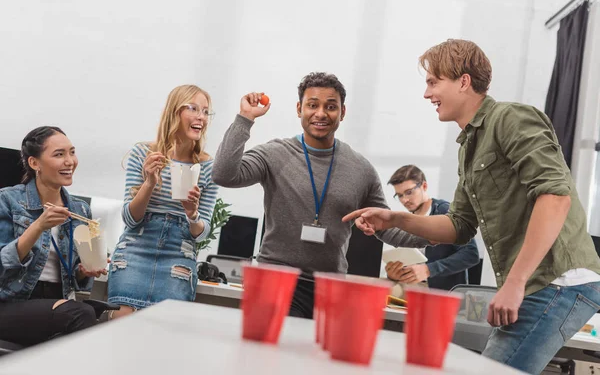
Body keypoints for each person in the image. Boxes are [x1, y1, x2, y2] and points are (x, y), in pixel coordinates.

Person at [343, 39, 600, 374]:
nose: (426, 94)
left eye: (433, 82)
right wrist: (394, 219)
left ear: (463, 81)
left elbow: (555, 197)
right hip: (538, 284)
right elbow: (458, 226)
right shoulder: (470, 146)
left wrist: (514, 283)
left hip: (559, 282)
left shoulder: (511, 119)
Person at [212, 72, 427, 319]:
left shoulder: (361, 169)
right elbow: (223, 175)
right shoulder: (275, 153)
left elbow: (387, 226)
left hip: (329, 288)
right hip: (276, 280)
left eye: (331, 106)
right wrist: (245, 119)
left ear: (342, 112)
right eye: (312, 105)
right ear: (299, 109)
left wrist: (435, 232)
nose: (321, 113)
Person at [107, 85, 219, 318]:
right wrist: (149, 183)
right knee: (122, 321)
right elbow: (130, 219)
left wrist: (192, 214)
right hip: (136, 249)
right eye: (194, 109)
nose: (201, 117)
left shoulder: (208, 167)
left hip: (179, 255)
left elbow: (202, 233)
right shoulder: (143, 154)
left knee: (165, 330)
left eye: (206, 112)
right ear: (174, 112)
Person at [0, 126, 105, 346]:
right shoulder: (7, 200)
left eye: (72, 152)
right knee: (80, 314)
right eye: (59, 154)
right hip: (10, 303)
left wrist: (84, 272)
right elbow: (3, 263)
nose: (70, 161)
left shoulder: (80, 210)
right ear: (34, 163)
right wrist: (38, 225)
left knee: (96, 314)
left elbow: (76, 279)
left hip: (58, 301)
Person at [385, 165, 479, 290]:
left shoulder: (445, 211)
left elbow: (471, 254)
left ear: (424, 186)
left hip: (445, 295)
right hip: (413, 291)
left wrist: (429, 270)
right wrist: (394, 274)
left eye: (409, 192)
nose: (405, 200)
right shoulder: (407, 221)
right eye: (400, 195)